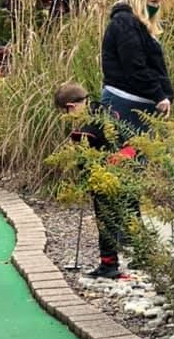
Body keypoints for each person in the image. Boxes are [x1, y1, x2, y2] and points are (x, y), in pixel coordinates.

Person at [54, 82, 140, 279]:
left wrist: (88, 181)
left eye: (66, 112)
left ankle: (109, 265)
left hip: (107, 176)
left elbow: (85, 160)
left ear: (71, 106)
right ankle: (143, 256)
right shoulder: (106, 111)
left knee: (106, 220)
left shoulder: (86, 129)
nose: (68, 117)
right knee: (130, 213)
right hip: (127, 170)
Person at [100, 0, 174, 134]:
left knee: (138, 156)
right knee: (128, 156)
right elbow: (135, 67)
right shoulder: (125, 23)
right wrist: (158, 95)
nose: (157, 7)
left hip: (136, 104)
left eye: (159, 2)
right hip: (125, 103)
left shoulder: (135, 25)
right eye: (153, 2)